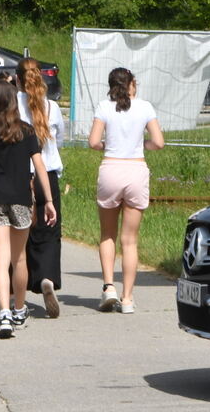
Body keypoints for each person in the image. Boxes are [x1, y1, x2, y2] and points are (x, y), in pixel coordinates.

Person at [0, 80, 57, 339]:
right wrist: (47, 201)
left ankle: (3, 313)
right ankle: (18, 309)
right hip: (21, 199)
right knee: (19, 259)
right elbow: (40, 168)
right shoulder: (26, 131)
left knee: (1, 257)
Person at [88, 67, 165, 315]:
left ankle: (109, 287)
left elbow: (93, 142)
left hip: (111, 168)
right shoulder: (144, 107)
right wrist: (141, 144)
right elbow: (159, 142)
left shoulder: (104, 107)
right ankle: (128, 298)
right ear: (131, 83)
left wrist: (108, 145)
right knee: (129, 241)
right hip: (135, 170)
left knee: (107, 234)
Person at [16, 57, 66, 318]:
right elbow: (60, 138)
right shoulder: (51, 107)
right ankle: (46, 277)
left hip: (21, 176)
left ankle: (20, 288)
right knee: (49, 230)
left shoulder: (14, 105)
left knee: (21, 232)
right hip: (49, 176)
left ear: (17, 80)